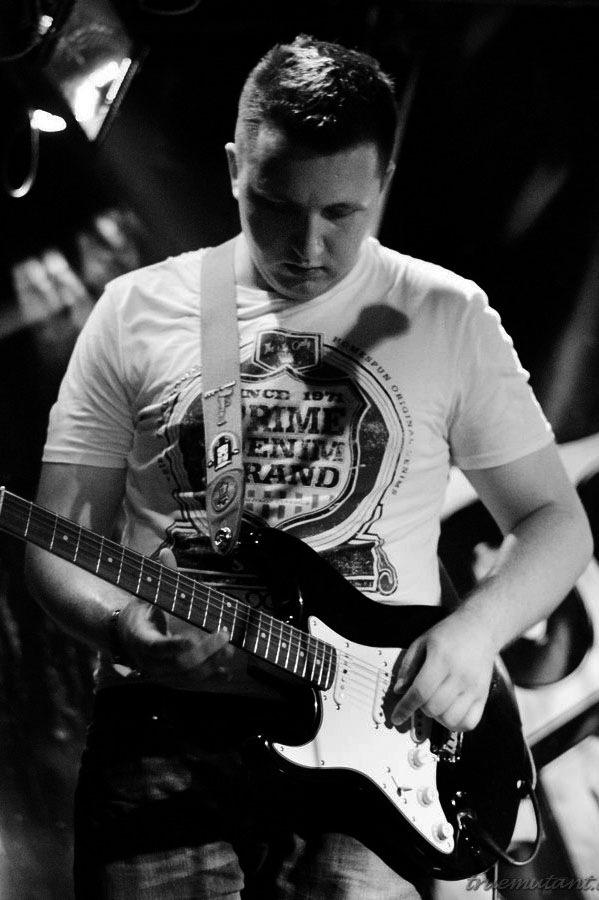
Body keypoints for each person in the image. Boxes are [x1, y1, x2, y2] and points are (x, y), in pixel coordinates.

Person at [25, 34, 592, 900]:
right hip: (163, 737)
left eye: (341, 213)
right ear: (233, 169)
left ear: (384, 182)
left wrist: (475, 633)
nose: (309, 244)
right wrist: (116, 626)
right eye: (276, 204)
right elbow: (57, 540)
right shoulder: (135, 311)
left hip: (377, 745)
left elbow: (555, 523)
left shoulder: (446, 314)